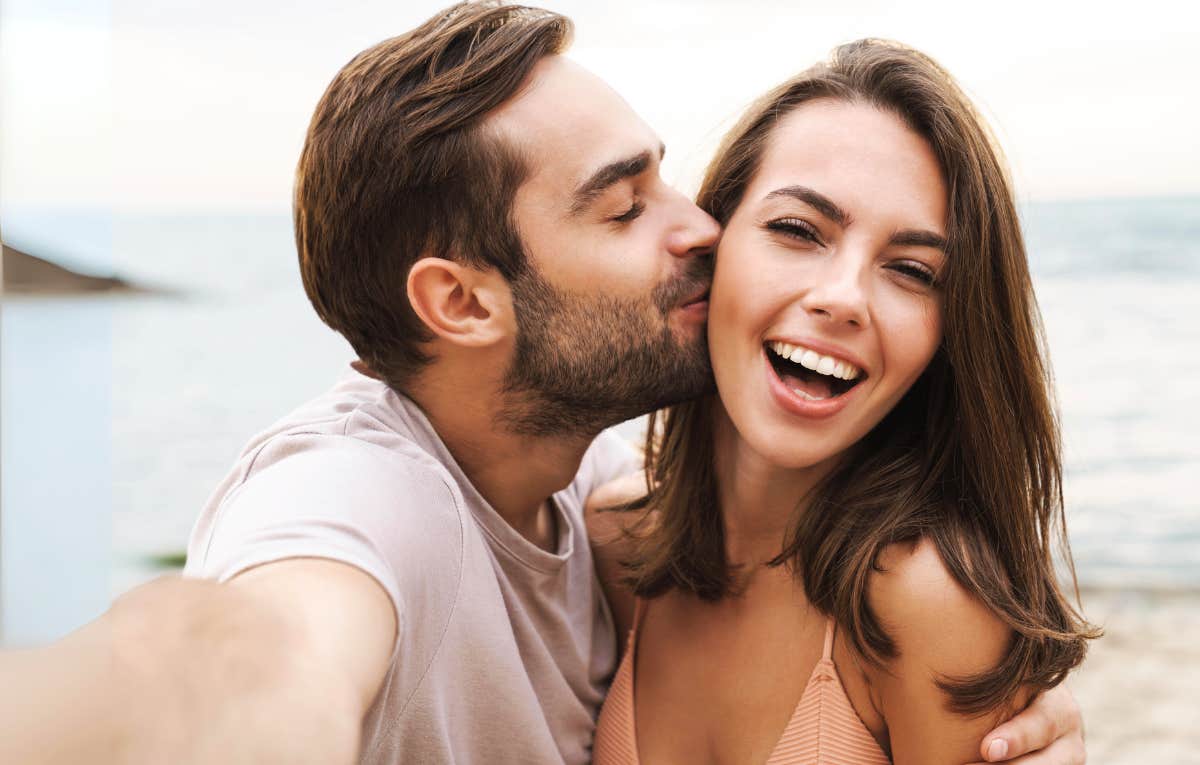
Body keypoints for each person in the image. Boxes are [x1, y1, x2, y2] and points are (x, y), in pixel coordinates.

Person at [0, 4, 1087, 763]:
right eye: (625, 207)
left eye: (912, 271)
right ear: (463, 303)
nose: (697, 228)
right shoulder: (380, 499)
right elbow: (269, 641)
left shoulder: (607, 512)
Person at [589, 40, 1100, 765]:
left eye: (913, 270)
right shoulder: (615, 540)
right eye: (798, 230)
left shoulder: (926, 602)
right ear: (714, 240)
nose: (843, 298)